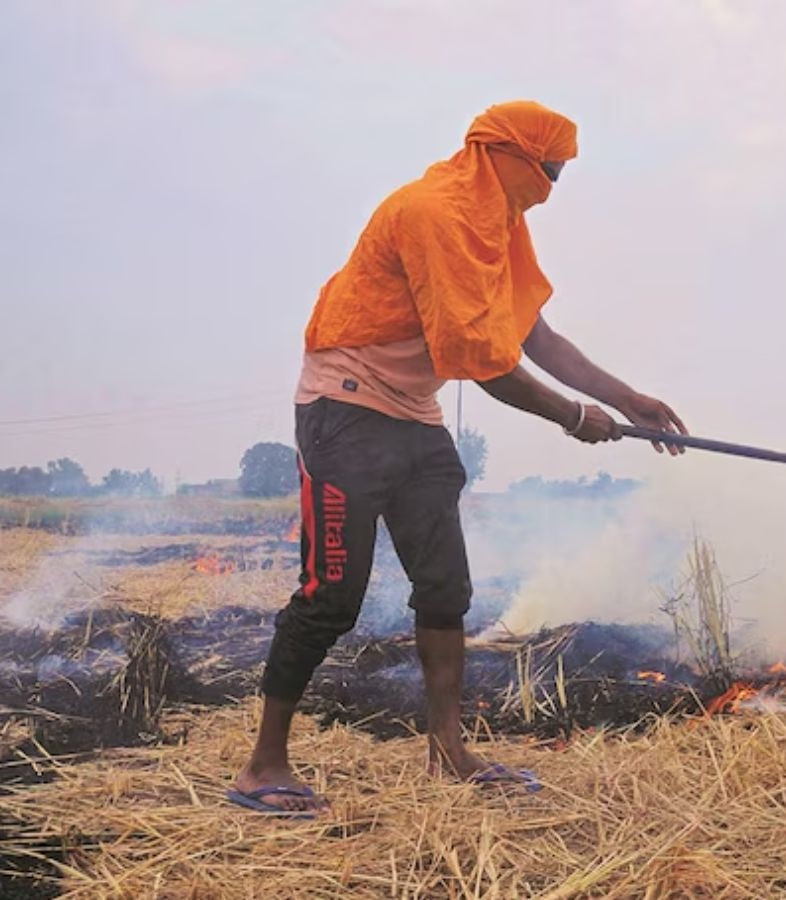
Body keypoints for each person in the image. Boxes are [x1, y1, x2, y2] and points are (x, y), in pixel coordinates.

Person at [227, 101, 688, 814]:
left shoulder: (499, 226)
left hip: (413, 413)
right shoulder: (434, 211)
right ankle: (263, 766)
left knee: (445, 590)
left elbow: (532, 334)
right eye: (549, 170)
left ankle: (449, 752)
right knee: (331, 597)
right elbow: (479, 359)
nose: (552, 187)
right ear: (503, 154)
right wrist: (571, 417)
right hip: (345, 407)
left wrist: (629, 400)